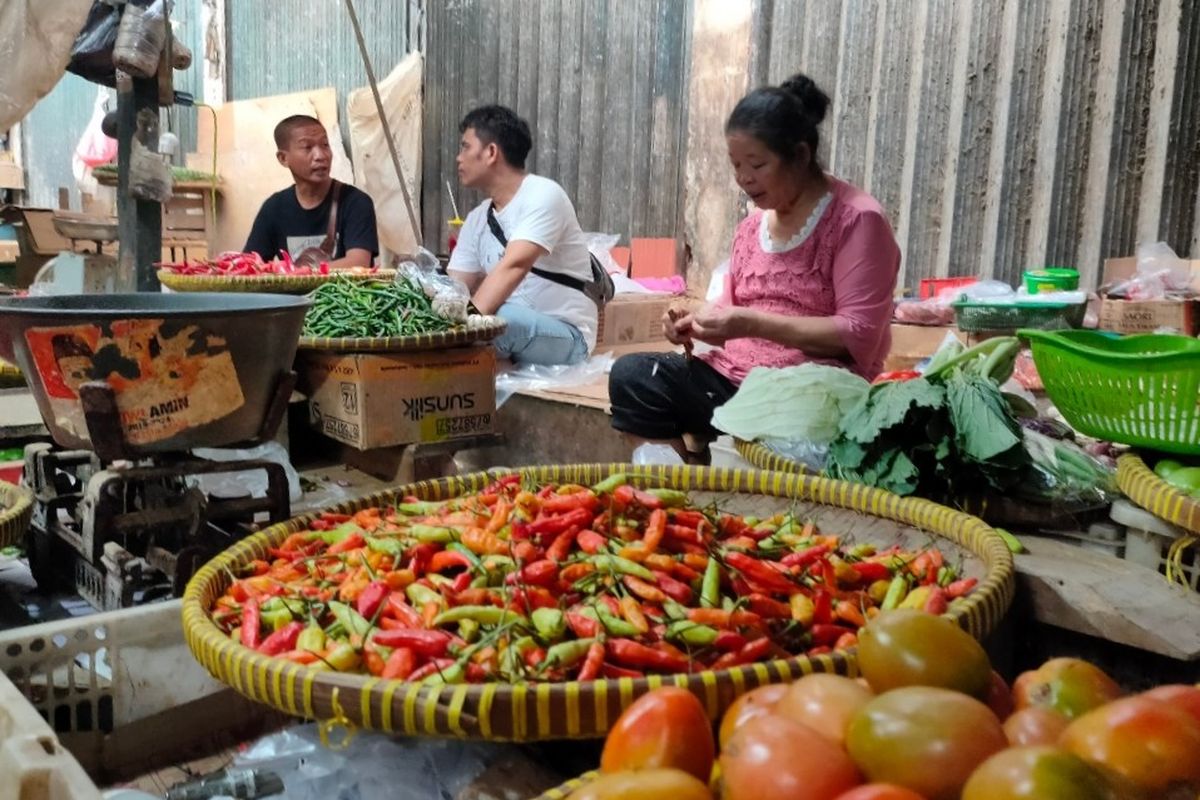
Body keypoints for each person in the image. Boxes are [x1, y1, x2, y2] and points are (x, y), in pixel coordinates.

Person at [608, 73, 900, 462]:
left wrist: (750, 323)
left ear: (800, 155)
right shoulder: (750, 227)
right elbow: (728, 316)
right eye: (735, 165)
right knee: (634, 376)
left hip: (811, 393)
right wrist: (691, 323)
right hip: (734, 381)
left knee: (794, 428)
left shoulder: (857, 220)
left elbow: (858, 334)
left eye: (757, 165)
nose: (743, 179)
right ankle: (683, 495)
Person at [447, 105, 596, 366]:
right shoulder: (477, 219)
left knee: (498, 322)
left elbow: (514, 266)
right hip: (510, 329)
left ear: (491, 152)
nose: (458, 158)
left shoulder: (544, 195)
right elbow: (454, 288)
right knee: (489, 321)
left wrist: (457, 333)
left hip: (566, 336)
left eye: (465, 147)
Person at [244, 115, 379, 268]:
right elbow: (250, 265)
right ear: (283, 158)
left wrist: (293, 275)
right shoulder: (274, 208)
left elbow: (358, 264)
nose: (321, 156)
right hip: (292, 292)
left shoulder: (356, 202)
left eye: (325, 145)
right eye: (307, 147)